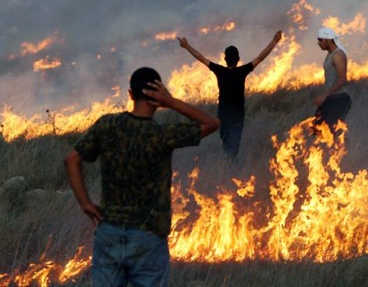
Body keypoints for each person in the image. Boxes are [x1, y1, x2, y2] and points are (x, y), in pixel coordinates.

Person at [64, 67, 219, 286]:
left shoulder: (107, 125)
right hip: (148, 236)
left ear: (130, 94)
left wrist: (85, 204)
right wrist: (172, 102)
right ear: (158, 98)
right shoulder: (161, 135)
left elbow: (71, 159)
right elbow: (212, 123)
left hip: (109, 231)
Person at [177, 30, 282, 159]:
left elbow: (201, 58)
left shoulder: (219, 71)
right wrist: (274, 41)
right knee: (235, 145)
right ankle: (232, 166)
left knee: (226, 144)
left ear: (225, 59)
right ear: (238, 59)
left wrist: (187, 46)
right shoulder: (242, 71)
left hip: (223, 115)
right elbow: (260, 57)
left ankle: (229, 166)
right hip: (238, 115)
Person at [313, 27, 351, 134]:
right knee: (318, 129)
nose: (318, 43)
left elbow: (342, 79)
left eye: (320, 40)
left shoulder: (338, 55)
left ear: (328, 40)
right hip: (331, 99)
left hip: (340, 99)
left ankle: (347, 150)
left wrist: (325, 95)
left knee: (334, 131)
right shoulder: (330, 55)